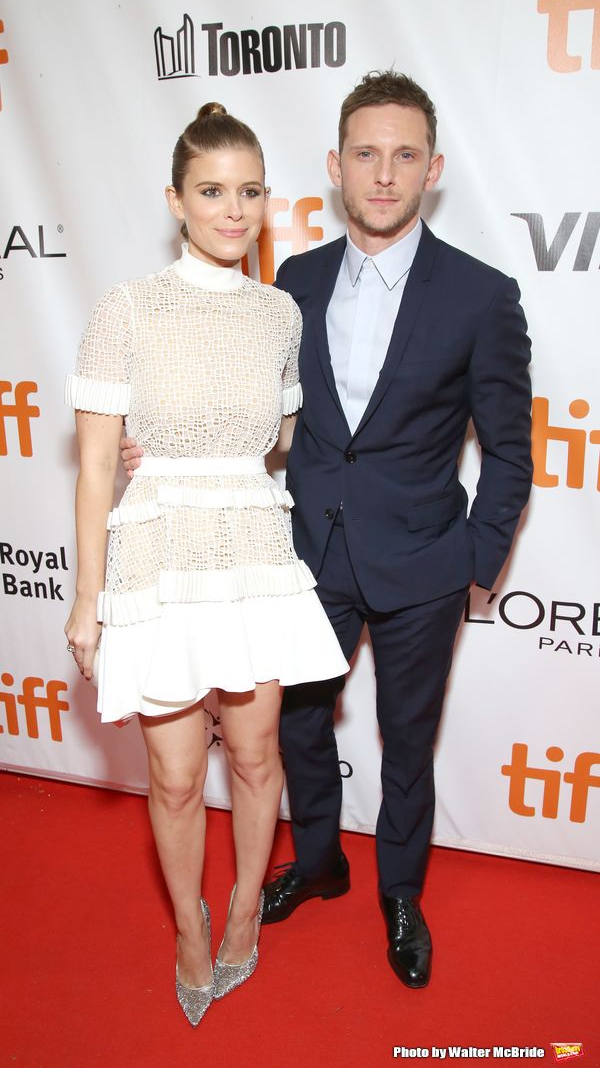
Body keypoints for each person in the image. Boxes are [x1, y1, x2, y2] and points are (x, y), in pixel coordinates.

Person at [121, 71, 533, 990]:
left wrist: (475, 557)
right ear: (334, 167)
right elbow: (250, 412)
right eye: (365, 154)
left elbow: (510, 450)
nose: (383, 174)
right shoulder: (289, 284)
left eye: (403, 155)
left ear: (433, 170)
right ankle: (317, 862)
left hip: (425, 559)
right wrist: (162, 452)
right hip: (301, 556)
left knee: (406, 735)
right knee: (293, 732)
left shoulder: (481, 295)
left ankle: (399, 893)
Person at [64, 102, 348, 1027]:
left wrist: (209, 448)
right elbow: (100, 462)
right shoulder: (129, 307)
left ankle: (240, 912)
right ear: (176, 200)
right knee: (177, 775)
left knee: (259, 759)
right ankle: (187, 924)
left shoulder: (279, 313)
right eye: (214, 191)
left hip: (253, 554)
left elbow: (279, 441)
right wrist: (86, 599)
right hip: (157, 557)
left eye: (251, 191)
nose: (235, 210)